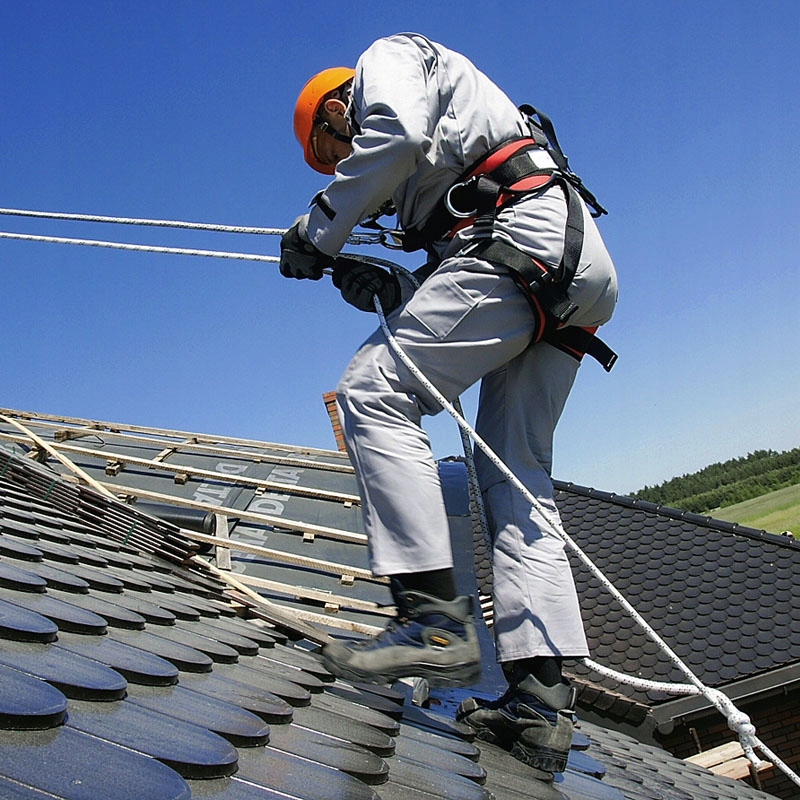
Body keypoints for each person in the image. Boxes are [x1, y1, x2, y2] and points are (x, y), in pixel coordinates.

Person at [279, 33, 618, 778]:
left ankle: (430, 621)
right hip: (564, 263)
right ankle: (539, 703)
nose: (344, 166)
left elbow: (392, 136)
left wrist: (319, 227)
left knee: (373, 390)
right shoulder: (449, 151)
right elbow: (454, 274)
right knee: (515, 477)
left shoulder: (386, 60)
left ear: (338, 109)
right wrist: (383, 284)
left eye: (336, 154)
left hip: (523, 241)